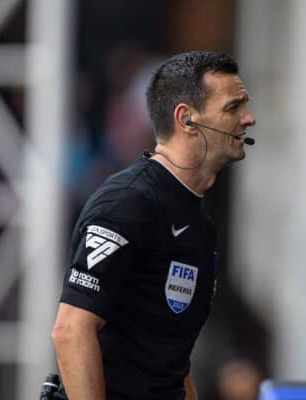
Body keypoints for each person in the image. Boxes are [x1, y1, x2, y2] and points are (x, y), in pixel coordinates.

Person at [51, 51, 256, 400]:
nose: (248, 119)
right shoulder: (128, 203)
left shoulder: (200, 223)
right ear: (186, 120)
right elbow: (71, 330)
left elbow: (174, 364)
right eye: (233, 108)